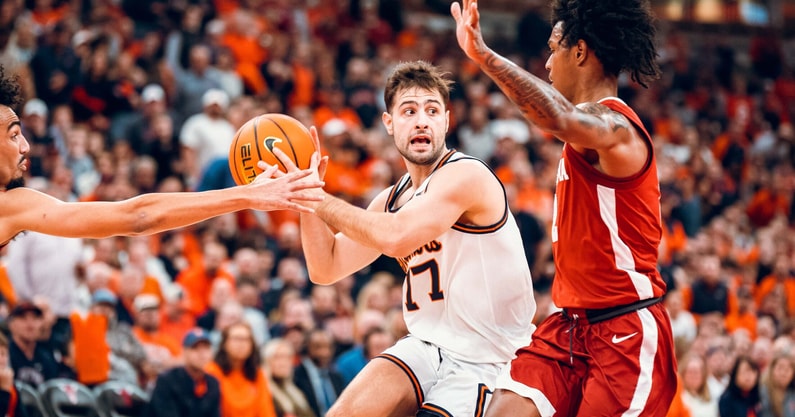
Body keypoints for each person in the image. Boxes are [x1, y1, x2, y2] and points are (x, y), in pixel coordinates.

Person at [450, 0, 677, 415]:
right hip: (570, 327)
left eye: (554, 49)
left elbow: (558, 117)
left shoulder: (617, 129)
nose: (548, 64)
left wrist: (483, 55)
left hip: (626, 329)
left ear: (580, 52)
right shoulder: (588, 132)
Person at [291, 60, 537, 416]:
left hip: (488, 358)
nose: (422, 120)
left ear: (447, 122)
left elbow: (396, 238)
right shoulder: (391, 199)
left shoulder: (467, 175)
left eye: (432, 110)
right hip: (427, 345)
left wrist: (316, 197)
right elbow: (325, 268)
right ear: (389, 123)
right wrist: (305, 194)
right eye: (409, 110)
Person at [0, 64, 323, 250]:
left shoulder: (15, 203)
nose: (26, 146)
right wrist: (246, 195)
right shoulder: (10, 206)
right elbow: (137, 217)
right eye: (14, 135)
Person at [205, 321, 277, 417]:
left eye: (246, 339)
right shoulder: (212, 371)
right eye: (236, 339)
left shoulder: (257, 374)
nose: (241, 344)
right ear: (224, 343)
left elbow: (266, 412)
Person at [146, 328, 221, 417]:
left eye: (206, 348)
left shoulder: (213, 383)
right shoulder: (167, 380)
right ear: (184, 352)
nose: (202, 354)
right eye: (195, 348)